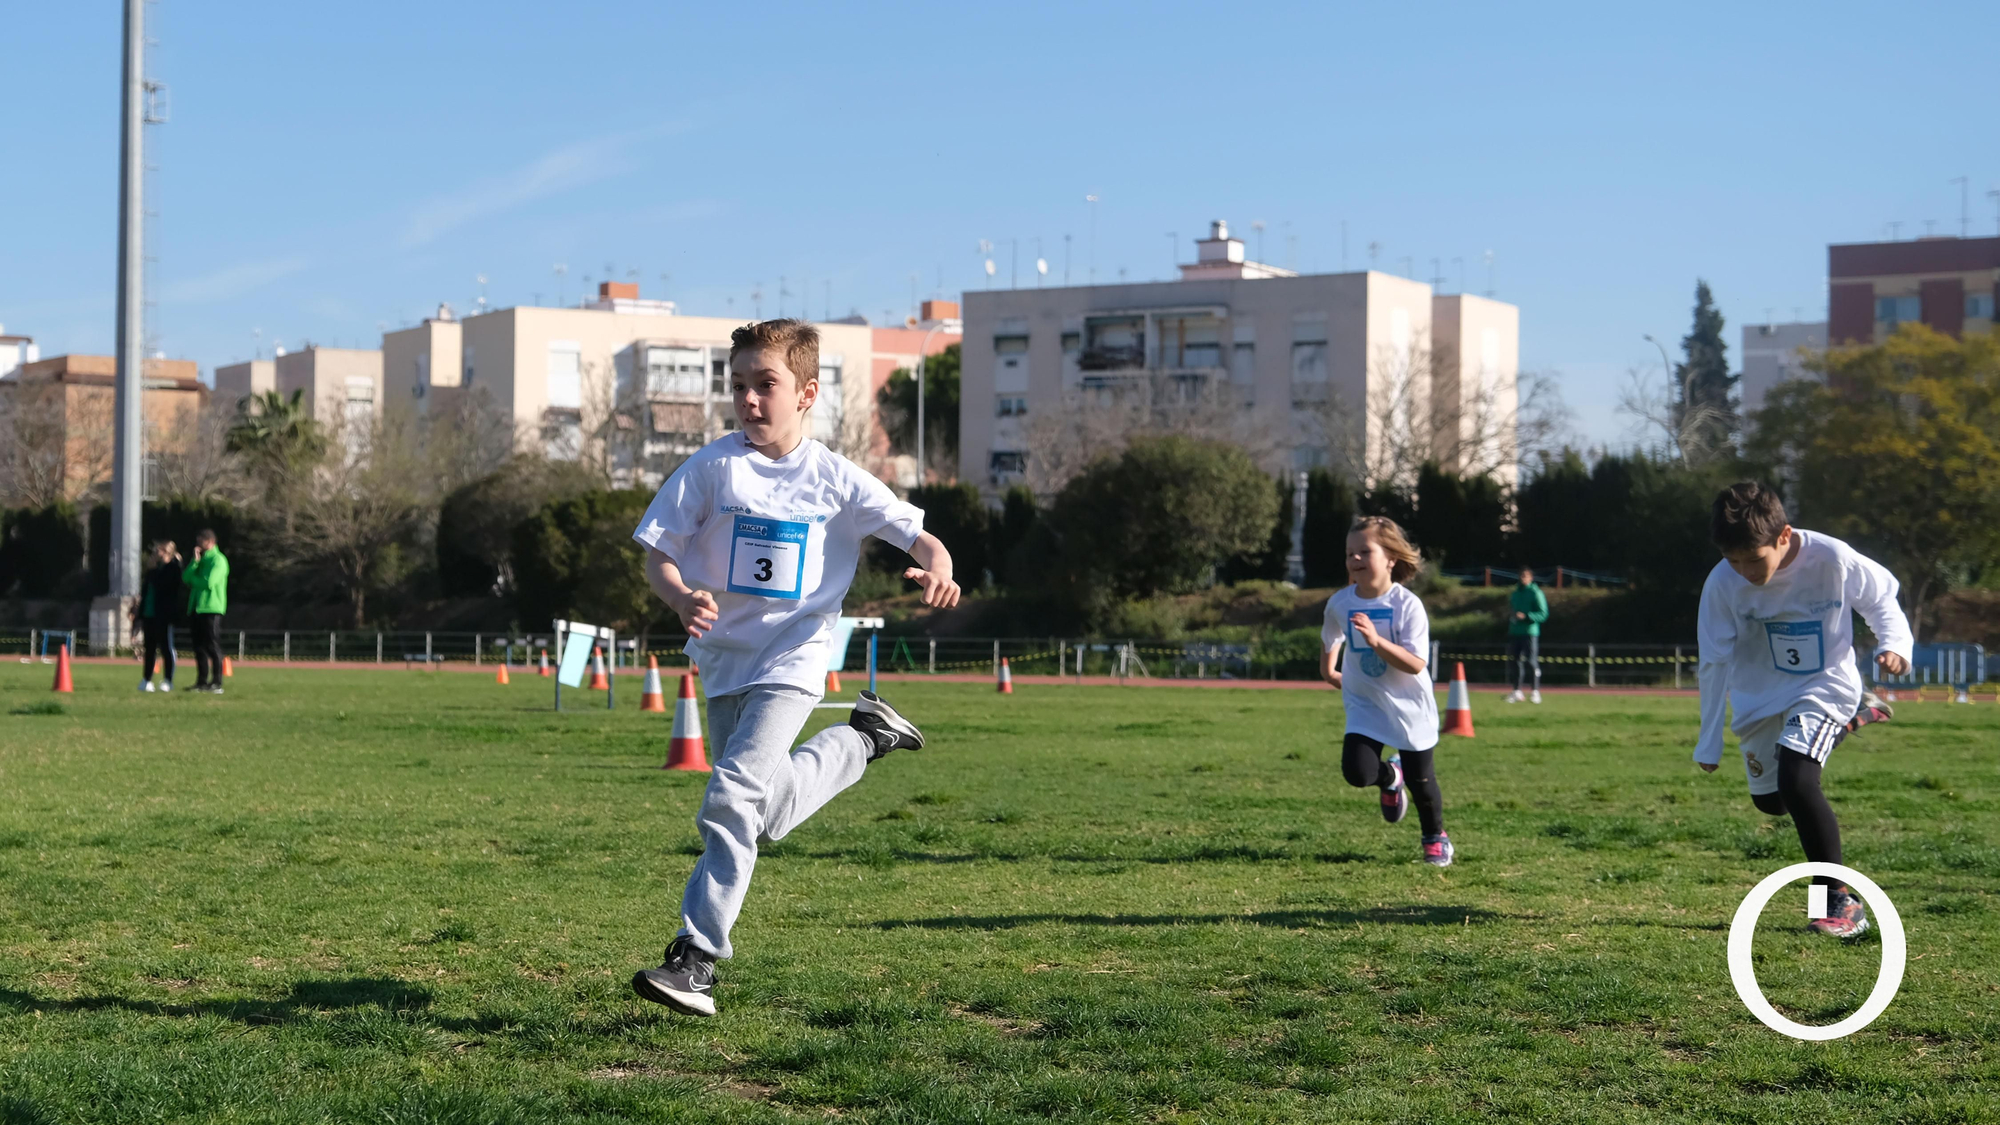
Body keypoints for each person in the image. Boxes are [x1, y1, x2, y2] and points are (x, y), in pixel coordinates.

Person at [626, 319, 961, 1017]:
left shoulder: (836, 478)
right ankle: (865, 736)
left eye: (765, 384)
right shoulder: (713, 468)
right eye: (739, 384)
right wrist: (681, 594)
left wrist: (939, 566)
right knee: (759, 811)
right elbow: (658, 549)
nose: (748, 398)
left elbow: (918, 533)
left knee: (728, 798)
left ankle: (697, 958)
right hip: (721, 661)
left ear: (806, 392)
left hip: (796, 657)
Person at [1696, 482, 1907, 938]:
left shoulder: (1832, 558)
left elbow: (1880, 598)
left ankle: (1836, 902)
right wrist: (1708, 738)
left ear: (1784, 536)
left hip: (1824, 685)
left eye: (1754, 559)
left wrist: (1895, 644)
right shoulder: (1722, 584)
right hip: (1760, 696)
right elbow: (1713, 660)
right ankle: (1855, 716)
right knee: (1772, 801)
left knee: (1797, 779)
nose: (1744, 571)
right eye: (1733, 561)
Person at [1321, 516, 1454, 867]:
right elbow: (1331, 635)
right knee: (1357, 772)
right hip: (1365, 703)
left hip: (1409, 704)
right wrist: (1329, 669)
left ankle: (1434, 837)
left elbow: (1415, 664)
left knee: (1423, 783)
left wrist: (1376, 641)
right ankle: (1390, 777)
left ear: (1391, 558)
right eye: (1350, 553)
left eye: (1365, 551)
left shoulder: (1407, 606)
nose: (1356, 559)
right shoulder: (1340, 602)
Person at [131, 540, 184, 692]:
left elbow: (167, 587)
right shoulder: (152, 571)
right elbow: (146, 591)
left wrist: (154, 570)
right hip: (149, 614)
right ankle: (147, 679)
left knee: (166, 648)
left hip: (164, 615)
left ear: (167, 552)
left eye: (158, 552)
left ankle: (168, 679)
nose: (155, 555)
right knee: (149, 649)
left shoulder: (172, 569)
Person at [182, 529, 230, 694]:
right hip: (196, 607)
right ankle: (201, 681)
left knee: (212, 645)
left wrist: (194, 581)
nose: (198, 545)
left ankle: (217, 682)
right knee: (199, 646)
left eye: (201, 541)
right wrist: (194, 562)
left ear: (209, 542)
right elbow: (186, 577)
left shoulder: (218, 560)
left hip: (211, 608)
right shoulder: (201, 561)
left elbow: (209, 582)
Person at [1505, 566, 1547, 704]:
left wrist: (1527, 616)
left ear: (1531, 578)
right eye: (1521, 576)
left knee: (1531, 661)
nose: (1522, 579)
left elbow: (1543, 614)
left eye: (1525, 576)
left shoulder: (1536, 593)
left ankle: (1535, 691)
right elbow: (1511, 609)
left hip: (1530, 632)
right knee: (1515, 661)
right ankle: (1517, 691)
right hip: (1515, 631)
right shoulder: (1515, 593)